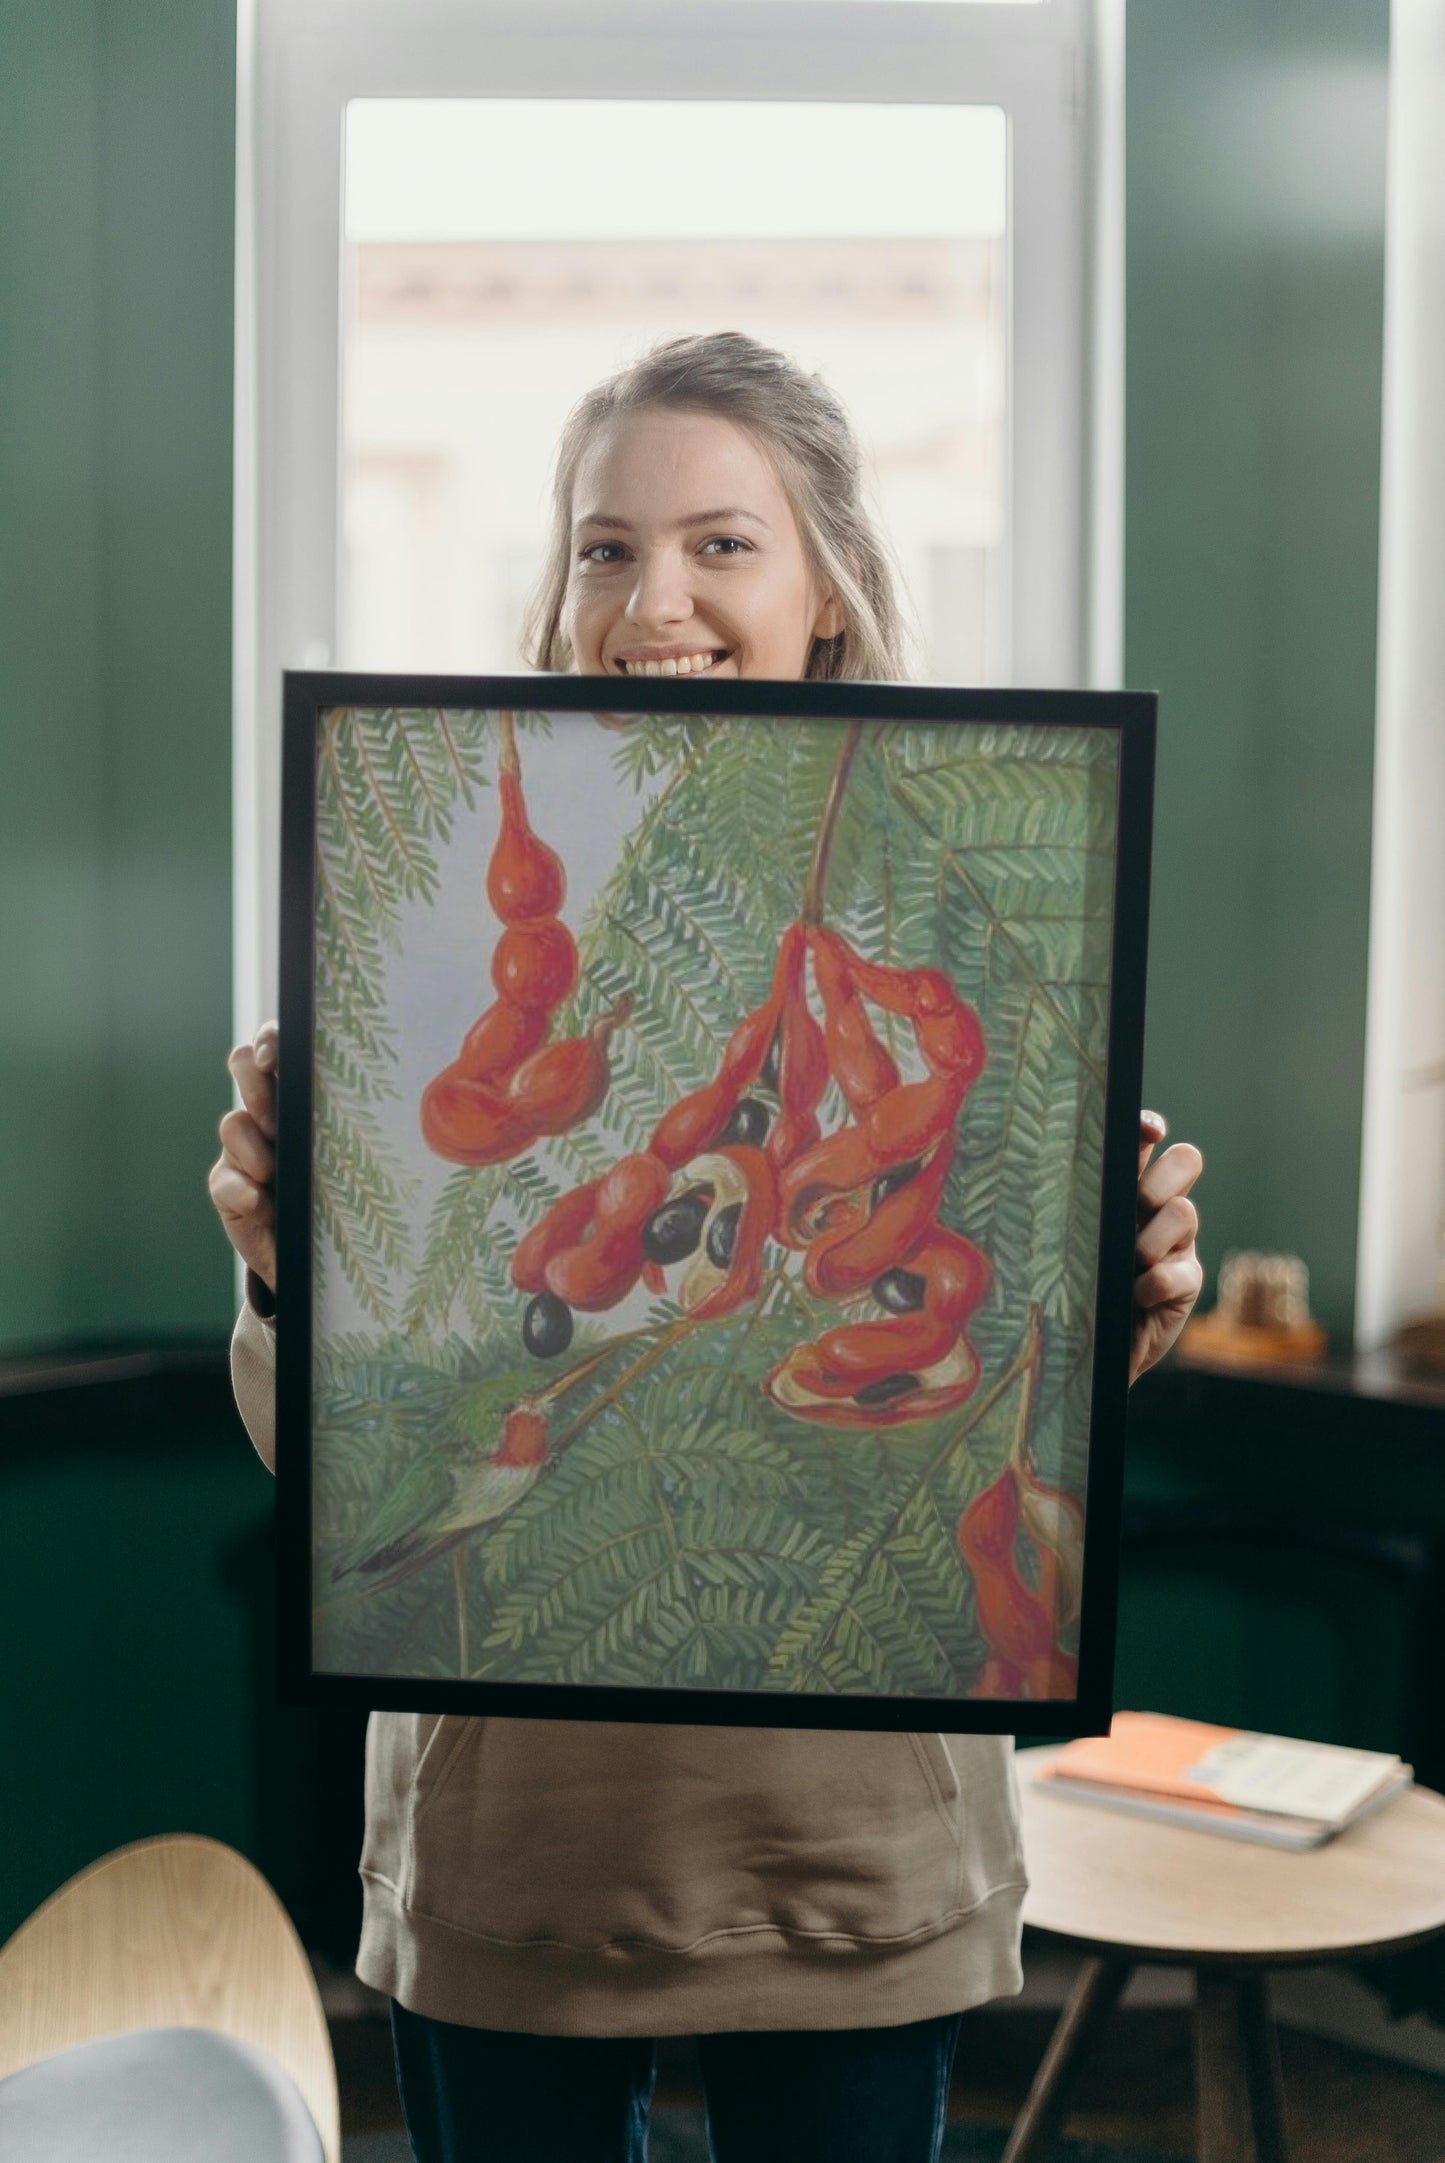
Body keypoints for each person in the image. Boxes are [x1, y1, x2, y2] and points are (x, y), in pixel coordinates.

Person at [210, 332, 1204, 2163]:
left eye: (719, 544)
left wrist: (1124, 1296)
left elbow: (998, 1389)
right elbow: (352, 1468)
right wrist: (286, 1273)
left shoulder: (975, 903)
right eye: (604, 546)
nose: (650, 597)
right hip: (515, 1849)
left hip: (852, 1847)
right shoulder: (426, 927)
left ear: (827, 586)